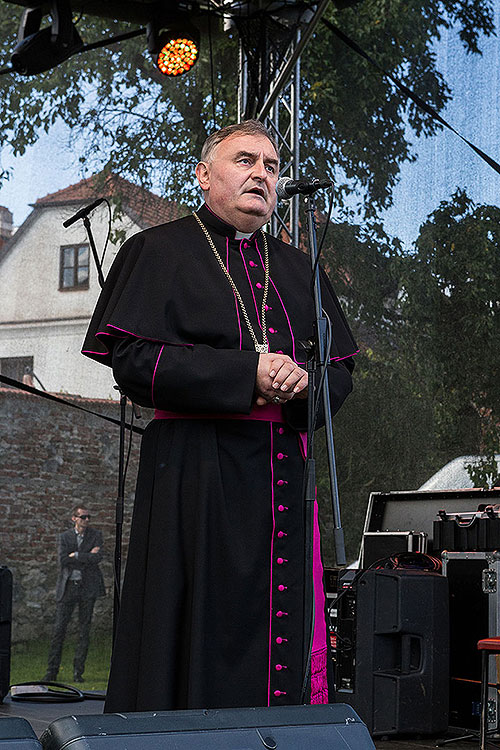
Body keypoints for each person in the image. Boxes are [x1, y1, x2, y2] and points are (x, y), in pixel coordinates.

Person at [82, 120, 358, 712]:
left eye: (272, 166)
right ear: (204, 175)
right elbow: (132, 362)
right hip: (194, 473)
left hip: (281, 474)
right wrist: (247, 376)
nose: (262, 173)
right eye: (244, 160)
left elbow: (341, 375)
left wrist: (305, 382)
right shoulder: (157, 251)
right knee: (195, 626)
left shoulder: (300, 271)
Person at [43, 506, 105, 683]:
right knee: (59, 630)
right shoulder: (65, 537)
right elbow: (63, 560)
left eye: (88, 517)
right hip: (69, 587)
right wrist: (86, 556)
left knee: (84, 630)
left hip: (87, 587)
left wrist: (77, 555)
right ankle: (51, 671)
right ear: (74, 519)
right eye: (82, 517)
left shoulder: (95, 535)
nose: (86, 520)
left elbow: (98, 558)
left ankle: (78, 672)